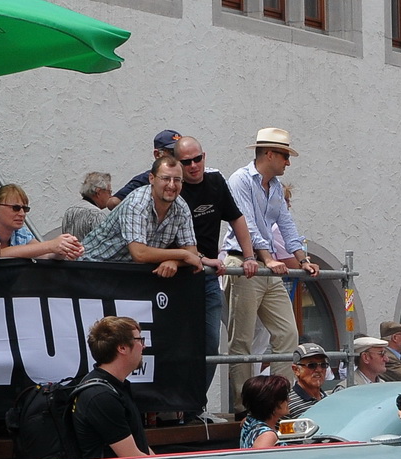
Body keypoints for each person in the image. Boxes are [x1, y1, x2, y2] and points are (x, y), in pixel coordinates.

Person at [225, 128, 317, 404]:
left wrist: (304, 259)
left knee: (288, 334)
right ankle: (245, 406)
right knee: (241, 339)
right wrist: (267, 258)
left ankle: (278, 401)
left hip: (263, 265)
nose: (288, 162)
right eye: (285, 156)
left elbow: (287, 226)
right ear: (269, 154)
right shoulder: (240, 179)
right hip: (242, 262)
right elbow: (246, 224)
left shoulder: (275, 186)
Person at [175, 135, 259, 396]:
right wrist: (201, 258)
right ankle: (176, 405)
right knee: (178, 343)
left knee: (211, 344)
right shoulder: (174, 191)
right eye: (186, 162)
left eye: (197, 159)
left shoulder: (215, 181)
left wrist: (250, 256)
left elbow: (237, 218)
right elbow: (172, 238)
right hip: (178, 274)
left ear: (204, 156)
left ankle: (195, 404)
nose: (193, 166)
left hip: (208, 277)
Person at [81, 155, 206, 279]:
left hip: (124, 276)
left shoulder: (181, 207)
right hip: (89, 269)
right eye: (166, 178)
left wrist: (174, 261)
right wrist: (182, 254)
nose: (172, 185)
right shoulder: (136, 203)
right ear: (151, 178)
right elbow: (140, 254)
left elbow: (192, 253)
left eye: (177, 180)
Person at [70, 316, 152, 459]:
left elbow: (140, 448)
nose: (143, 346)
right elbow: (132, 458)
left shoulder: (115, 387)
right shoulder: (101, 396)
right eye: (139, 340)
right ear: (122, 348)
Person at [0, 184, 83, 259]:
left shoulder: (22, 233)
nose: (22, 213)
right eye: (15, 208)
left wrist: (63, 249)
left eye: (25, 209)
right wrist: (51, 245)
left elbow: (45, 255)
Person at [114, 128, 182, 201]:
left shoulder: (190, 175)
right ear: (157, 154)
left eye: (181, 152)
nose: (178, 158)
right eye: (172, 153)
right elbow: (113, 202)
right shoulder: (145, 180)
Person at [285, 343, 339, 417]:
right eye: (312, 365)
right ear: (296, 370)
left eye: (323, 365)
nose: (319, 370)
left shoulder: (329, 399)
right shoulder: (287, 404)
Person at [238, 374, 291, 448]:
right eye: (284, 397)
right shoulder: (267, 436)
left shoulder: (249, 421)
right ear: (271, 403)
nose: (288, 400)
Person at [61, 172, 118, 240]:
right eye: (109, 192)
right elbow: (105, 243)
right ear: (99, 192)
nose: (110, 196)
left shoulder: (69, 210)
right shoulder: (96, 214)